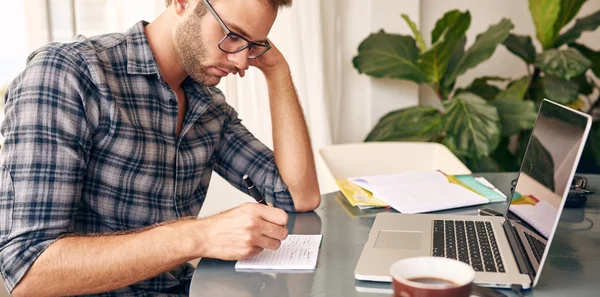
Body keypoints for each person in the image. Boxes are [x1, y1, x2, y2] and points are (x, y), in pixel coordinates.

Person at [0, 0, 321, 295]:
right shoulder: (69, 73)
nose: (241, 62)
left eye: (253, 46)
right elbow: (28, 270)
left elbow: (298, 196)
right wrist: (199, 236)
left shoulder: (209, 107)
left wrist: (277, 71)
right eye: (232, 35)